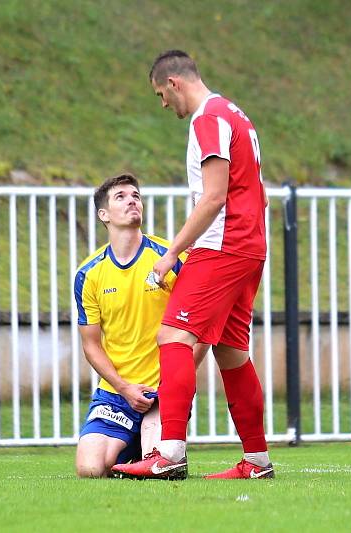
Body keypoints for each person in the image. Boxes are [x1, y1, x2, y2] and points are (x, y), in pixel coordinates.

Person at [112, 50, 271, 480]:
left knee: (173, 335)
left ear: (175, 83)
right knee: (232, 352)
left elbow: (215, 196)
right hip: (249, 245)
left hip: (223, 246)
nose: (163, 104)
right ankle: (256, 462)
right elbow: (258, 190)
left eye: (162, 94)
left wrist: (170, 254)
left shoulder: (209, 118)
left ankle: (170, 453)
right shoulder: (237, 114)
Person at [74, 173, 204, 478]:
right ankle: (130, 450)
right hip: (116, 392)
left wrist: (177, 381)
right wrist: (123, 387)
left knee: (161, 467)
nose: (132, 200)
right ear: (103, 215)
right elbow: (91, 344)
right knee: (91, 469)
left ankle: (147, 445)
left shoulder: (170, 258)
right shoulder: (89, 274)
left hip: (164, 389)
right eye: (121, 196)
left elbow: (201, 328)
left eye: (136, 195)